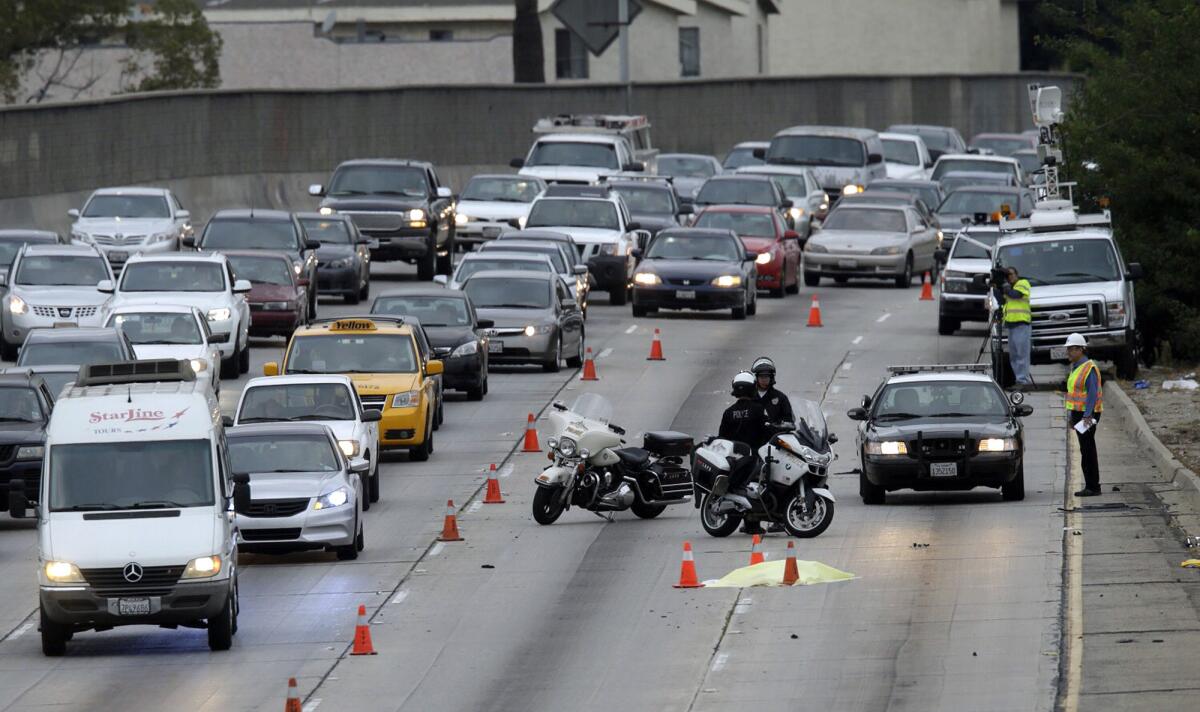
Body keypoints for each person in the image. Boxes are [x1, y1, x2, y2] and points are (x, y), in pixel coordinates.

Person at [714, 371, 771, 497]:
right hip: (754, 457)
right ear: (753, 388)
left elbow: (722, 436)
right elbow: (768, 431)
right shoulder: (759, 409)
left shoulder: (728, 412)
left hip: (733, 458)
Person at [1064, 333, 1103, 497]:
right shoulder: (1077, 367)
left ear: (1081, 349)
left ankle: (1093, 486)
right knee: (1085, 449)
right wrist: (1071, 417)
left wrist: (1087, 415)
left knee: (1087, 450)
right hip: (1079, 414)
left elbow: (1093, 393)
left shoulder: (1088, 368)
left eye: (1072, 349)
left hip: (1087, 415)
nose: (1069, 352)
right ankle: (1092, 485)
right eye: (1068, 349)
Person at [996, 265, 1032, 388]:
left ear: (1017, 274)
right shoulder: (1007, 288)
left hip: (1022, 324)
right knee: (1014, 356)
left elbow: (1016, 294)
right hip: (1011, 325)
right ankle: (1019, 380)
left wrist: (1005, 286)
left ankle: (1023, 381)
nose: (1009, 277)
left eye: (1011, 274)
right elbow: (1001, 301)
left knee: (1022, 355)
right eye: (1007, 275)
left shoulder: (1023, 283)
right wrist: (997, 286)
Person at [750, 356, 795, 424]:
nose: (764, 379)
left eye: (767, 376)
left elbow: (789, 420)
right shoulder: (749, 397)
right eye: (761, 376)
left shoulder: (781, 398)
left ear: (771, 377)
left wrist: (778, 424)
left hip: (775, 434)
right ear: (756, 377)